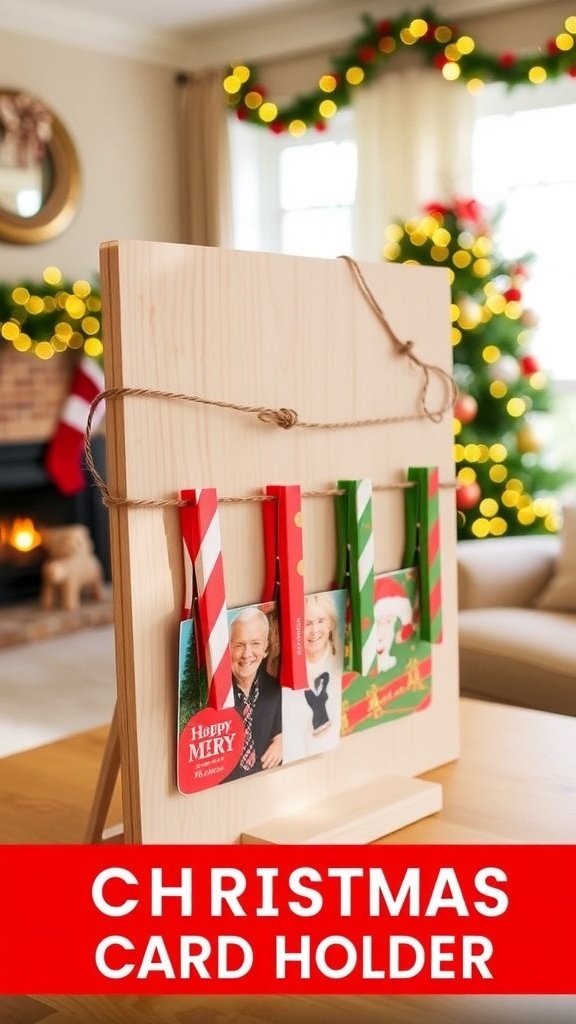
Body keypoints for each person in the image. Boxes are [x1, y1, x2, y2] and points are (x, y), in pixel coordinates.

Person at [282, 590, 344, 763]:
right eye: (307, 623)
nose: (315, 630)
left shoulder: (340, 660)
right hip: (296, 761)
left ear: (331, 623)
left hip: (332, 758)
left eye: (321, 621)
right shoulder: (288, 673)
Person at [224, 604, 282, 782]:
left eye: (255, 644)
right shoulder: (217, 695)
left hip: (265, 782)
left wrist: (284, 739)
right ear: (228, 648)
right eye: (239, 645)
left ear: (265, 648)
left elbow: (285, 727)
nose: (247, 654)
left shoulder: (276, 691)